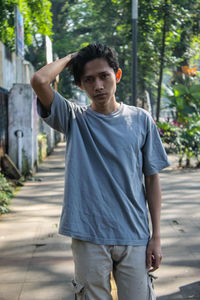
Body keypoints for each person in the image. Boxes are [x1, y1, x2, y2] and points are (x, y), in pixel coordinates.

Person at [31, 43, 170, 300]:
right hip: (88, 234)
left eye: (104, 76)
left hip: (134, 234)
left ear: (117, 76)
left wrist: (156, 237)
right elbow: (40, 80)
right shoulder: (73, 118)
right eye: (89, 79)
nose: (98, 86)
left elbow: (152, 180)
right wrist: (74, 57)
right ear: (81, 85)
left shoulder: (140, 120)